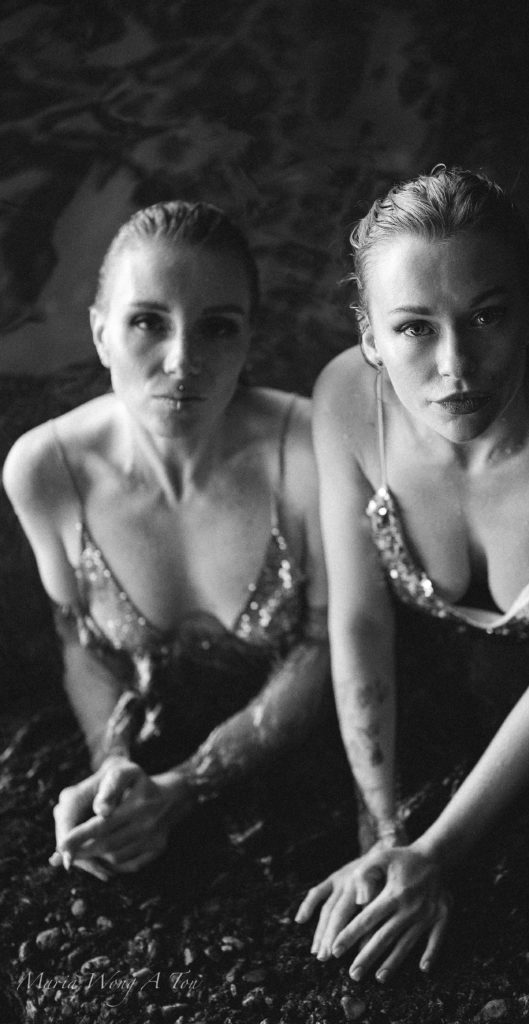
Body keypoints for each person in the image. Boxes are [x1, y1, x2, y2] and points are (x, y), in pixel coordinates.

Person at [295, 166, 529, 984]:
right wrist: (385, 833)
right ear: (369, 336)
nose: (455, 364)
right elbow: (359, 623)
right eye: (414, 330)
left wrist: (438, 853)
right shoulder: (346, 401)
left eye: (487, 316)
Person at [2, 200, 329, 882]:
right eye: (148, 322)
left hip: (306, 759)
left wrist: (185, 787)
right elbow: (80, 639)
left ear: (249, 341)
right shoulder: (47, 472)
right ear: (99, 335)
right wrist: (113, 761)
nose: (183, 361)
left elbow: (326, 649)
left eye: (218, 328)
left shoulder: (309, 455)